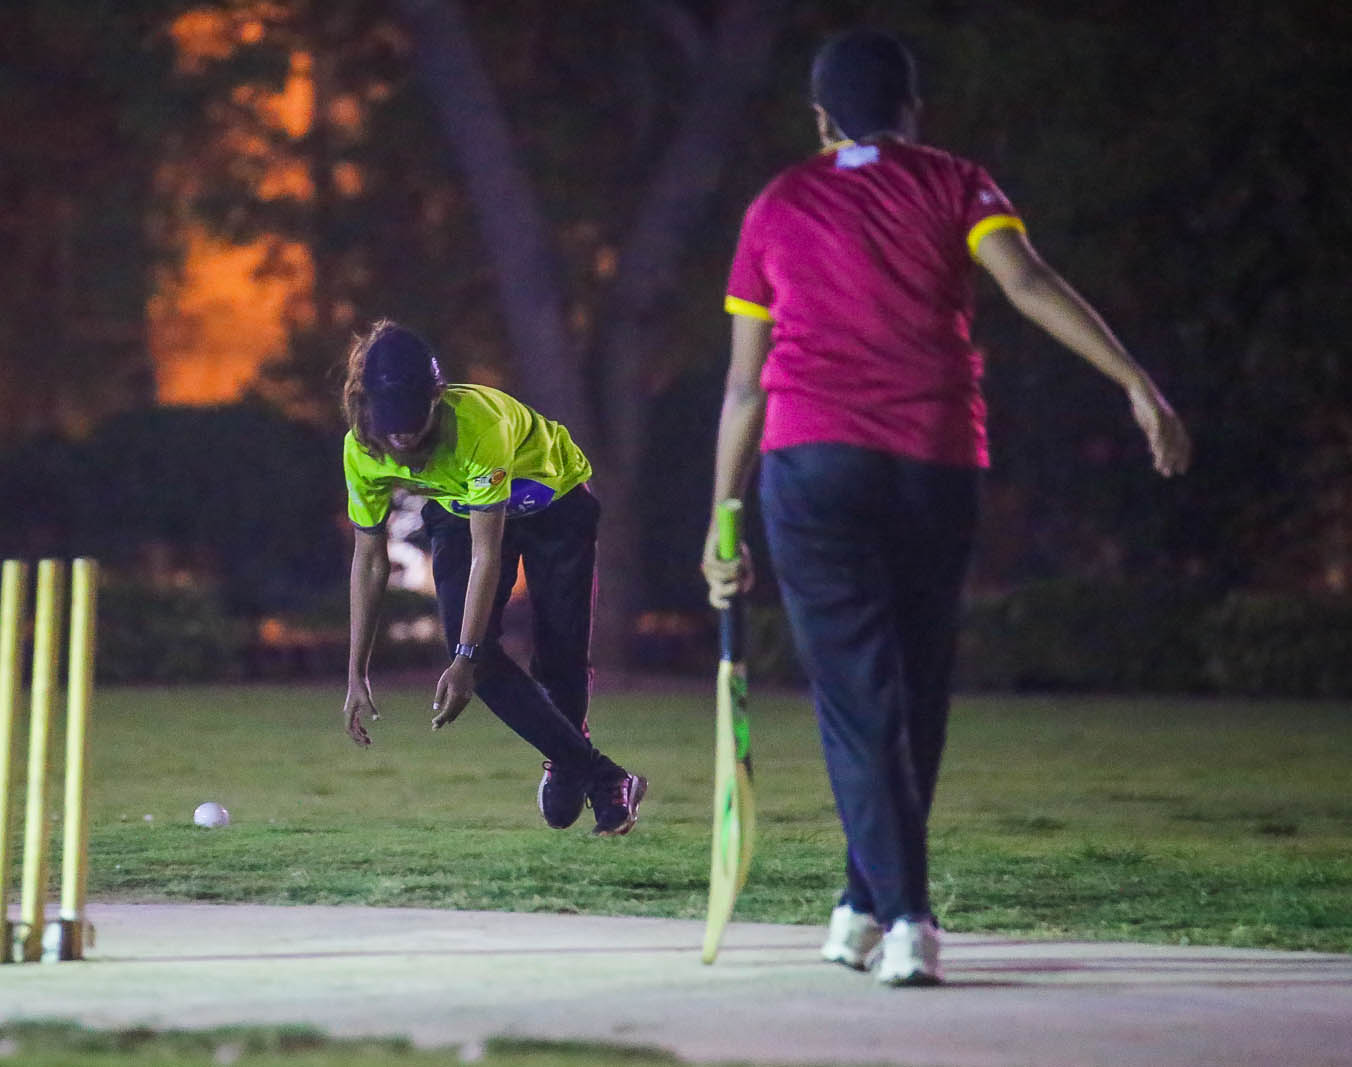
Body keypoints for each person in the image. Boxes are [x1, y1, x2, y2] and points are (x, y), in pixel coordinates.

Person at [702, 29, 1191, 986]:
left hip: (815, 464)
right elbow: (1027, 281)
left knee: (861, 696)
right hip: (935, 461)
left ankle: (906, 917)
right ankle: (861, 906)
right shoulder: (957, 183)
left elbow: (744, 387)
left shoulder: (779, 203)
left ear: (821, 120)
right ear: (911, 111)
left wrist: (722, 516)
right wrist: (1136, 381)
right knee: (913, 688)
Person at [340, 320, 648, 836]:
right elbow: (369, 561)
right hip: (459, 508)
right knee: (477, 656)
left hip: (554, 501)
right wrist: (356, 672)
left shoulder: (477, 428)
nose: (405, 438)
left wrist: (464, 658)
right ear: (365, 406)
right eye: (393, 427)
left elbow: (488, 552)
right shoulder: (361, 452)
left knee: (558, 653)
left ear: (436, 398)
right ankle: (605, 776)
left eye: (414, 422)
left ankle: (572, 762)